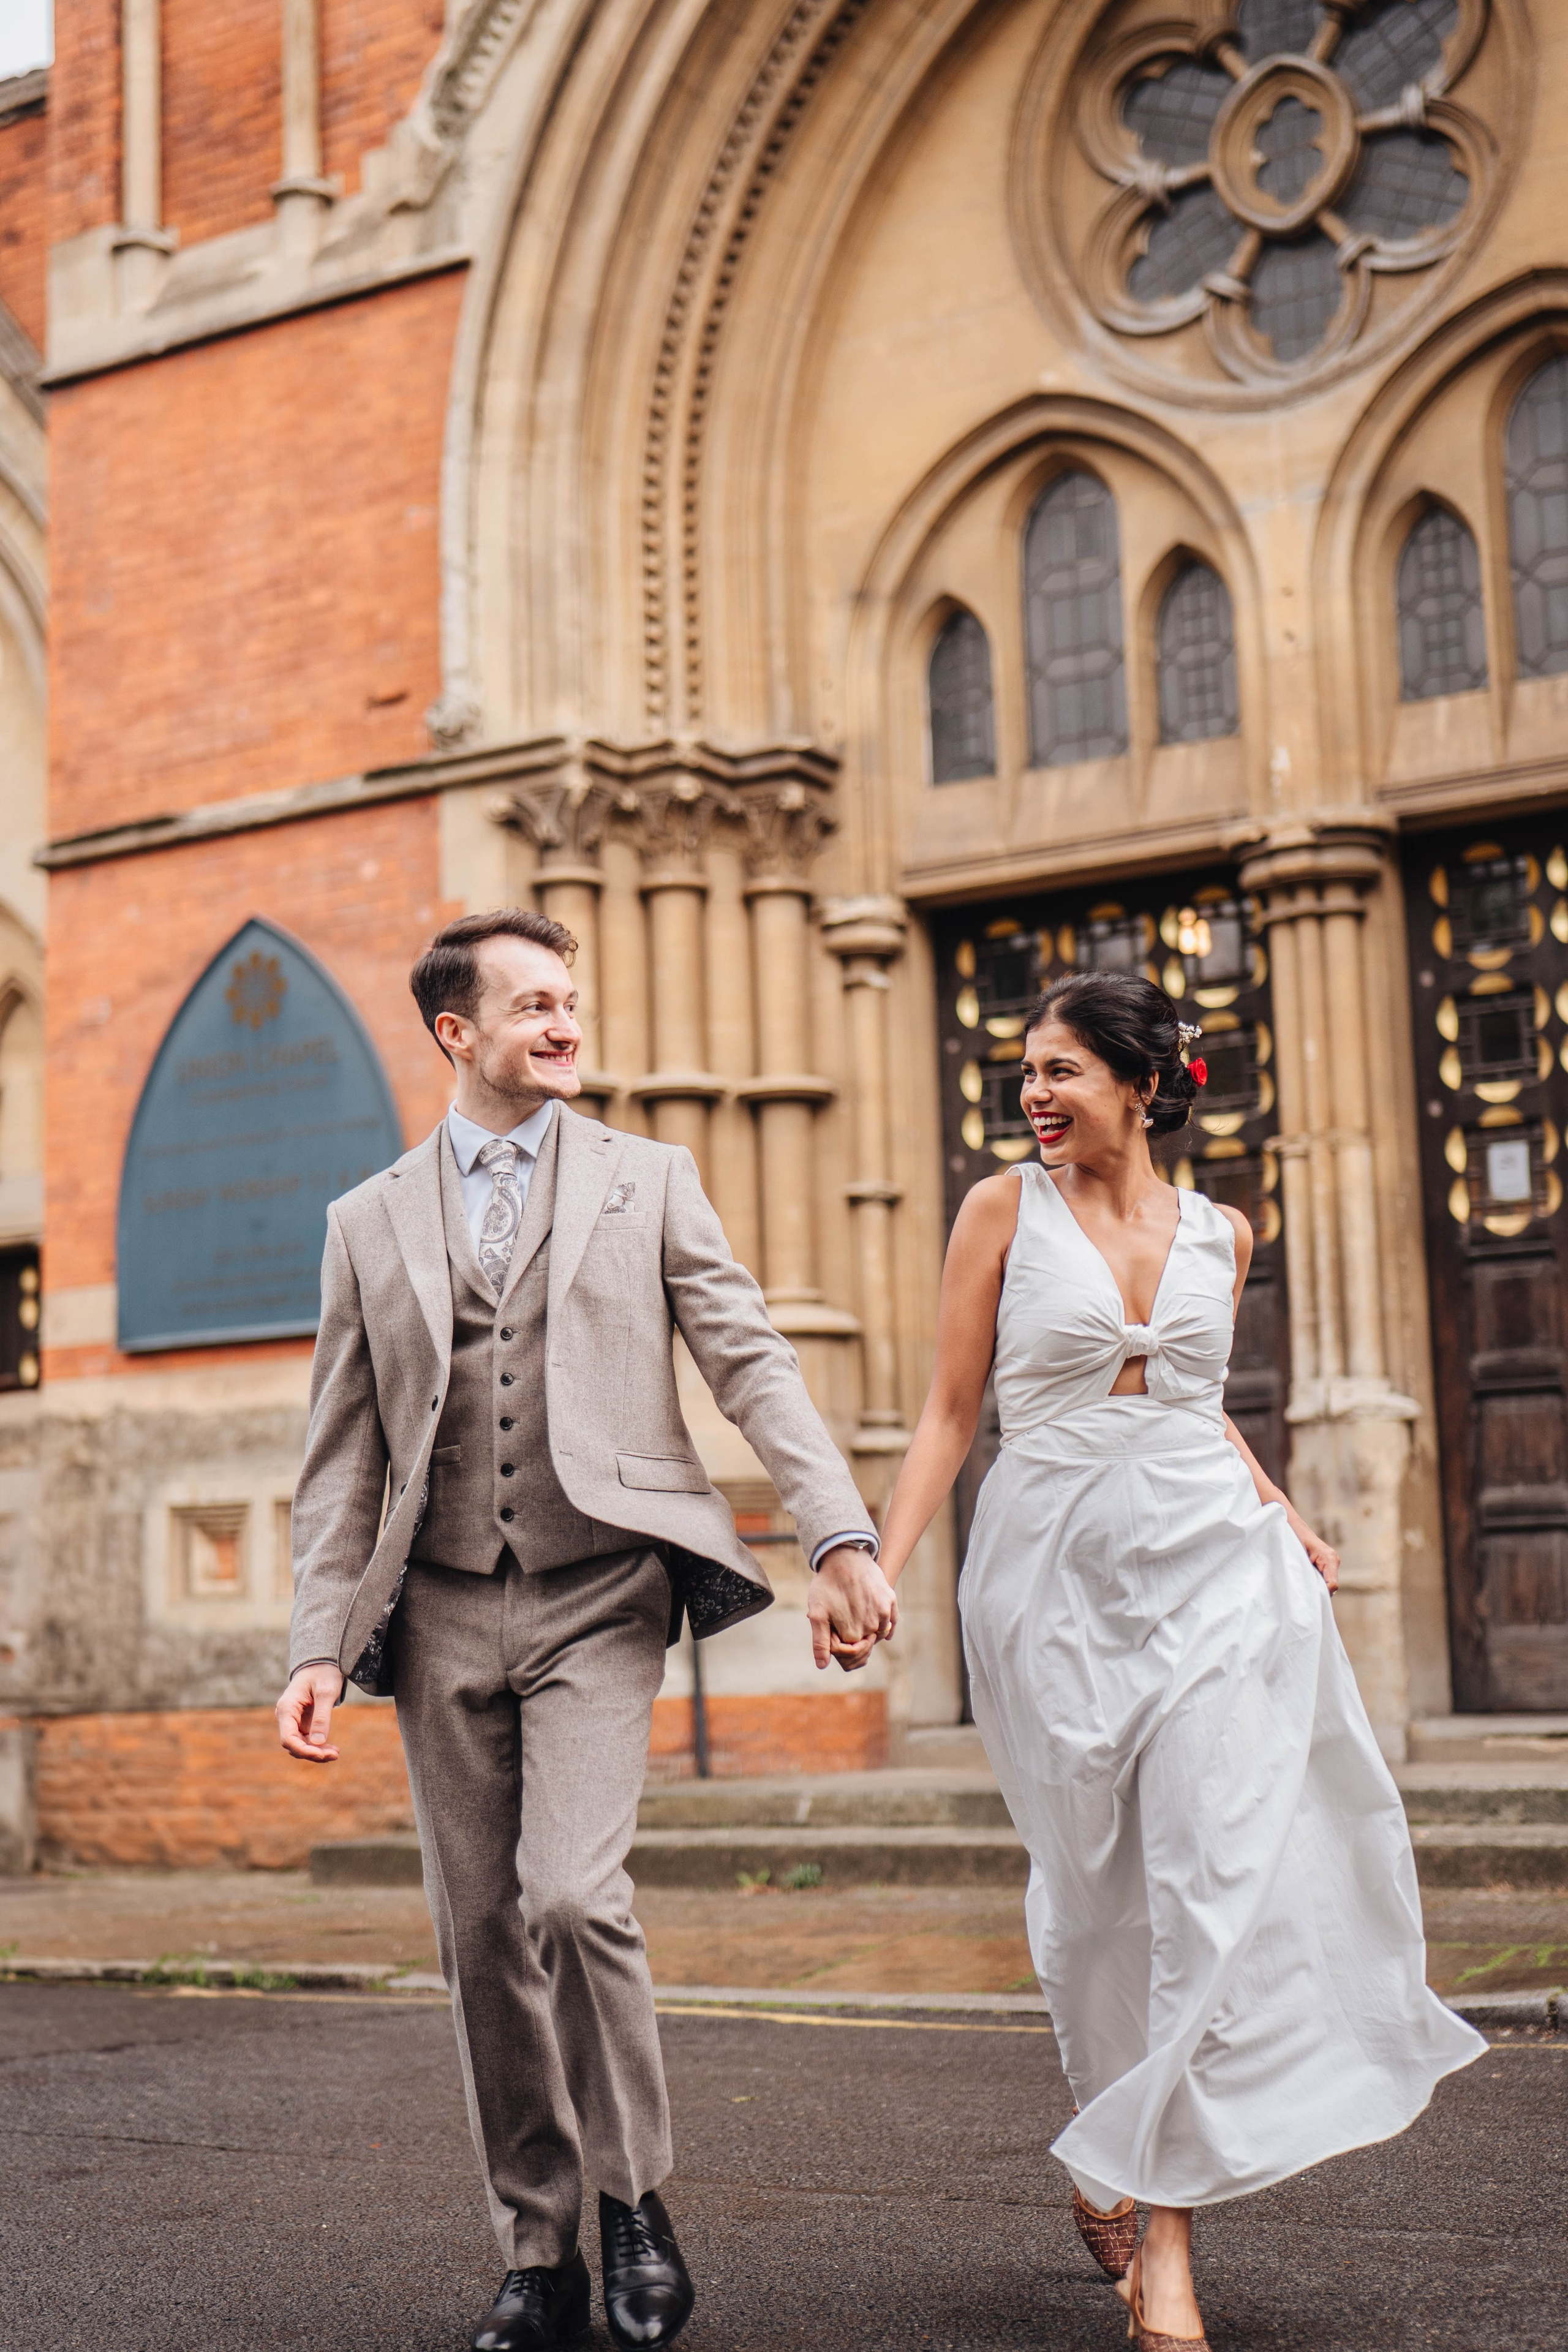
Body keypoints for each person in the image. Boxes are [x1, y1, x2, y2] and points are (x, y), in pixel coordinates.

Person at [275, 909, 895, 2352]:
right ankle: (535, 2250)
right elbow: (339, 1457)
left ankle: (631, 2202)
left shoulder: (648, 1179)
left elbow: (748, 1358)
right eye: (535, 1005)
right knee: (479, 1936)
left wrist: (837, 1530)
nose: (565, 1025)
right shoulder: (365, 1221)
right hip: (433, 1611)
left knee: (570, 1898)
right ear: (457, 1034)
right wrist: (317, 1642)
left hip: (598, 1590)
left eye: (572, 1002)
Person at [864, 970, 1483, 2349]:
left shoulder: (1222, 1232)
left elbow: (1197, 1410)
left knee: (1209, 1884)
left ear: (1140, 1087)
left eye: (1062, 1070)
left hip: (1212, 1569)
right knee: (1094, 1899)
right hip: (1048, 1580)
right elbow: (947, 1416)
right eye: (1026, 1071)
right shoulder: (996, 1213)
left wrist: (1282, 1513)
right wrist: (876, 1567)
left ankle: (1166, 2253)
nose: (1032, 1094)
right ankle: (1108, 2144)